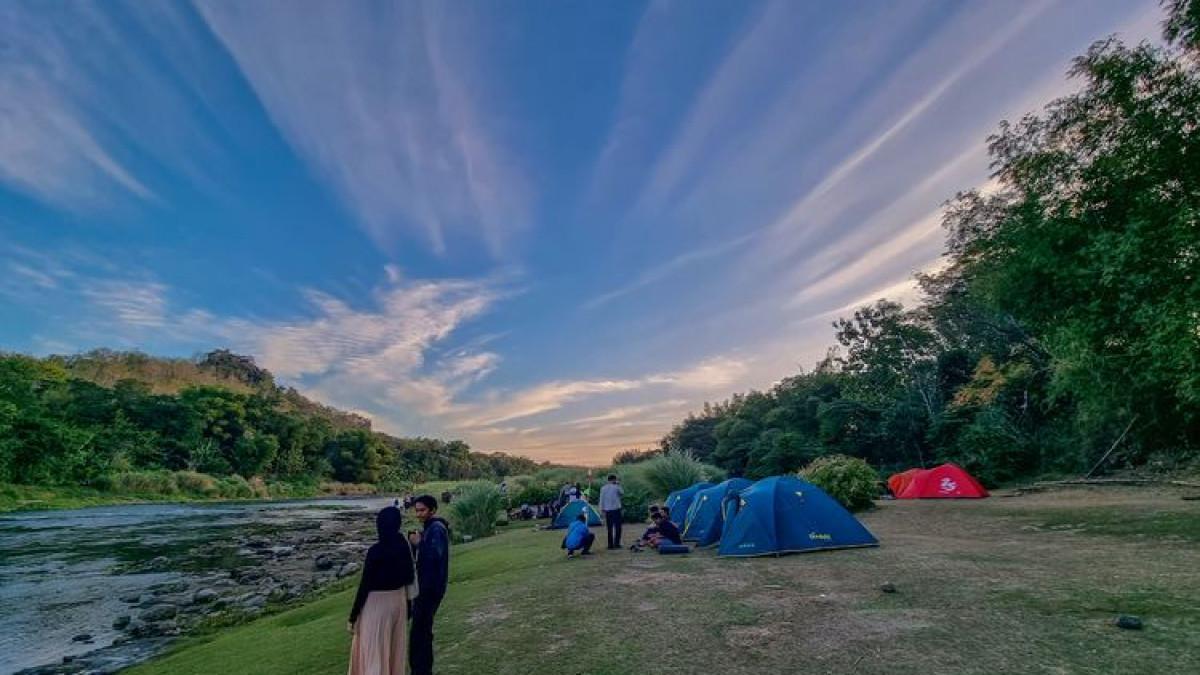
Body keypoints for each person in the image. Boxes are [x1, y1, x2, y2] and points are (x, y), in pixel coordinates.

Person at [347, 506, 417, 675]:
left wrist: (353, 615)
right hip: (399, 601)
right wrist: (408, 606)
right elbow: (409, 576)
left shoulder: (376, 551)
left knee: (374, 650)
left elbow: (365, 585)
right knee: (394, 650)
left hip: (377, 604)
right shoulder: (403, 545)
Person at [408, 495, 450, 675]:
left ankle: (421, 670)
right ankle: (421, 669)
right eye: (417, 510)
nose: (419, 514)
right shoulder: (430, 528)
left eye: (422, 510)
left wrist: (419, 544)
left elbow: (434, 556)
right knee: (421, 631)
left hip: (430, 589)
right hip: (426, 587)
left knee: (420, 632)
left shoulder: (437, 529)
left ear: (432, 510)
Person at [599, 474, 624, 550]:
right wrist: (618, 485)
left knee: (609, 528)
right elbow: (622, 493)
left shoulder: (603, 488)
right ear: (614, 480)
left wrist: (601, 510)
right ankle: (617, 543)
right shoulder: (616, 487)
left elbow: (601, 500)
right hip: (616, 509)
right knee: (618, 527)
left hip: (608, 510)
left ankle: (610, 545)